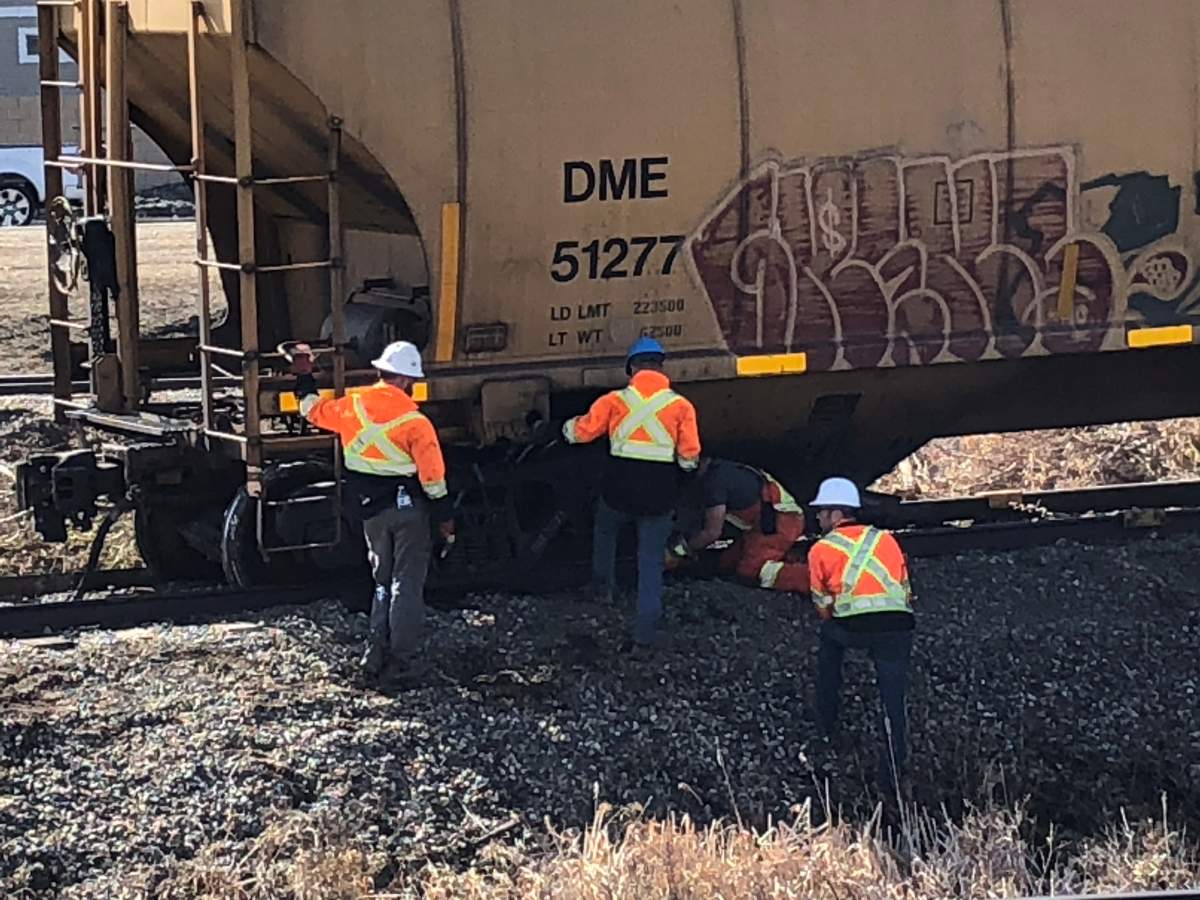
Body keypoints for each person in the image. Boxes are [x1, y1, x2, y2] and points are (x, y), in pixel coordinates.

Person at [290, 340, 454, 683]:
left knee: (381, 581)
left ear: (379, 372)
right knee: (406, 584)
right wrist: (444, 520)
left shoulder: (352, 407)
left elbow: (310, 408)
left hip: (370, 512)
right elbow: (434, 480)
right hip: (408, 510)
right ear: (407, 381)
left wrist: (304, 372)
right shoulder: (416, 423)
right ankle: (401, 662)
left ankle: (373, 654)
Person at [561, 336, 700, 648]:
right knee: (650, 560)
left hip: (619, 489)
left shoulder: (614, 401)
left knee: (605, 530)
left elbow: (582, 432)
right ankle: (646, 631)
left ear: (632, 368)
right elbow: (690, 456)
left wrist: (565, 428)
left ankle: (602, 589)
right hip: (659, 492)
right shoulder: (681, 406)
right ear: (661, 368)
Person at [807, 476, 914, 792]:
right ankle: (895, 764)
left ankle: (827, 722)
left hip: (854, 627)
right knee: (892, 697)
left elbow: (822, 603)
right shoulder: (887, 539)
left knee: (828, 643)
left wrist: (835, 618)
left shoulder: (821, 549)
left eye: (821, 512)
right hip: (898, 624)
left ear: (836, 515)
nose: (817, 517)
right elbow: (905, 587)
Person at [669, 458, 809, 591]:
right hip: (762, 525)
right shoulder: (720, 470)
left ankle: (810, 578)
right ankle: (787, 555)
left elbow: (712, 533)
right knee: (727, 562)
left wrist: (681, 550)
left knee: (750, 572)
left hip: (782, 523)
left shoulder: (714, 483)